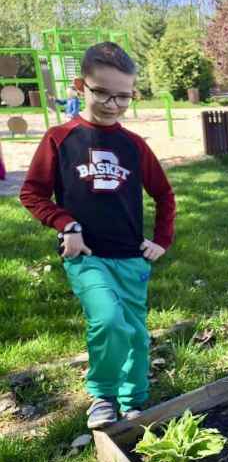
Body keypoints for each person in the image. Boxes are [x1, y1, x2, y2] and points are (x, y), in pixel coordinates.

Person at [19, 42, 175, 429]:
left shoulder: (134, 145)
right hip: (85, 253)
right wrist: (65, 224)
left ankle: (134, 400)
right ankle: (103, 395)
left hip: (131, 256)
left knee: (135, 331)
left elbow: (164, 195)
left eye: (123, 96)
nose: (112, 103)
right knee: (107, 320)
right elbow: (32, 193)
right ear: (79, 86)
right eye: (101, 92)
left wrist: (161, 240)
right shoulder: (60, 138)